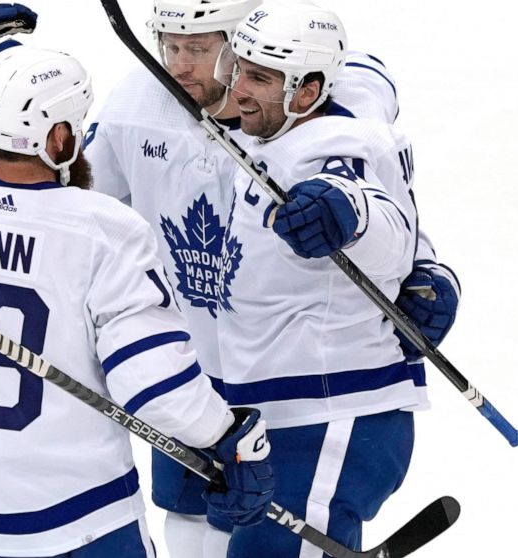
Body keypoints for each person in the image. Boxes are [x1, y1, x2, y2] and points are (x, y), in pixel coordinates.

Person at [0, 5, 274, 557]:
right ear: (61, 134)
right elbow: (155, 387)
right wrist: (227, 437)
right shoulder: (105, 231)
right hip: (79, 521)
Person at [84, 0, 459, 556]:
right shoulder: (135, 105)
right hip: (196, 381)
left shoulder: (336, 103)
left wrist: (424, 266)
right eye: (171, 45)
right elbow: (72, 215)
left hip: (306, 384)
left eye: (200, 48)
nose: (179, 65)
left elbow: (367, 191)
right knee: (191, 525)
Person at [208, 0, 434, 554]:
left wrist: (347, 212)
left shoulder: (326, 148)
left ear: (307, 92)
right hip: (282, 416)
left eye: (258, 78)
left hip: (333, 415)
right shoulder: (283, 123)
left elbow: (380, 226)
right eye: (237, 68)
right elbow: (367, 75)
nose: (237, 89)